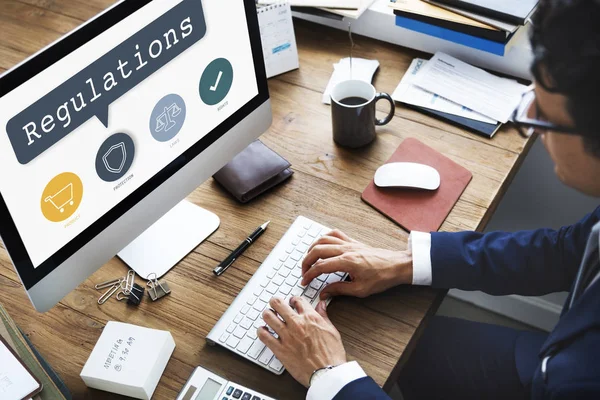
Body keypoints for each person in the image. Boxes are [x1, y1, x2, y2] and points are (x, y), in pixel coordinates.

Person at [256, 0, 600, 398]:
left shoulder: (583, 383)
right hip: (550, 360)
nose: (534, 130)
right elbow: (566, 251)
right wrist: (406, 262)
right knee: (409, 347)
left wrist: (330, 374)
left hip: (558, 378)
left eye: (544, 118)